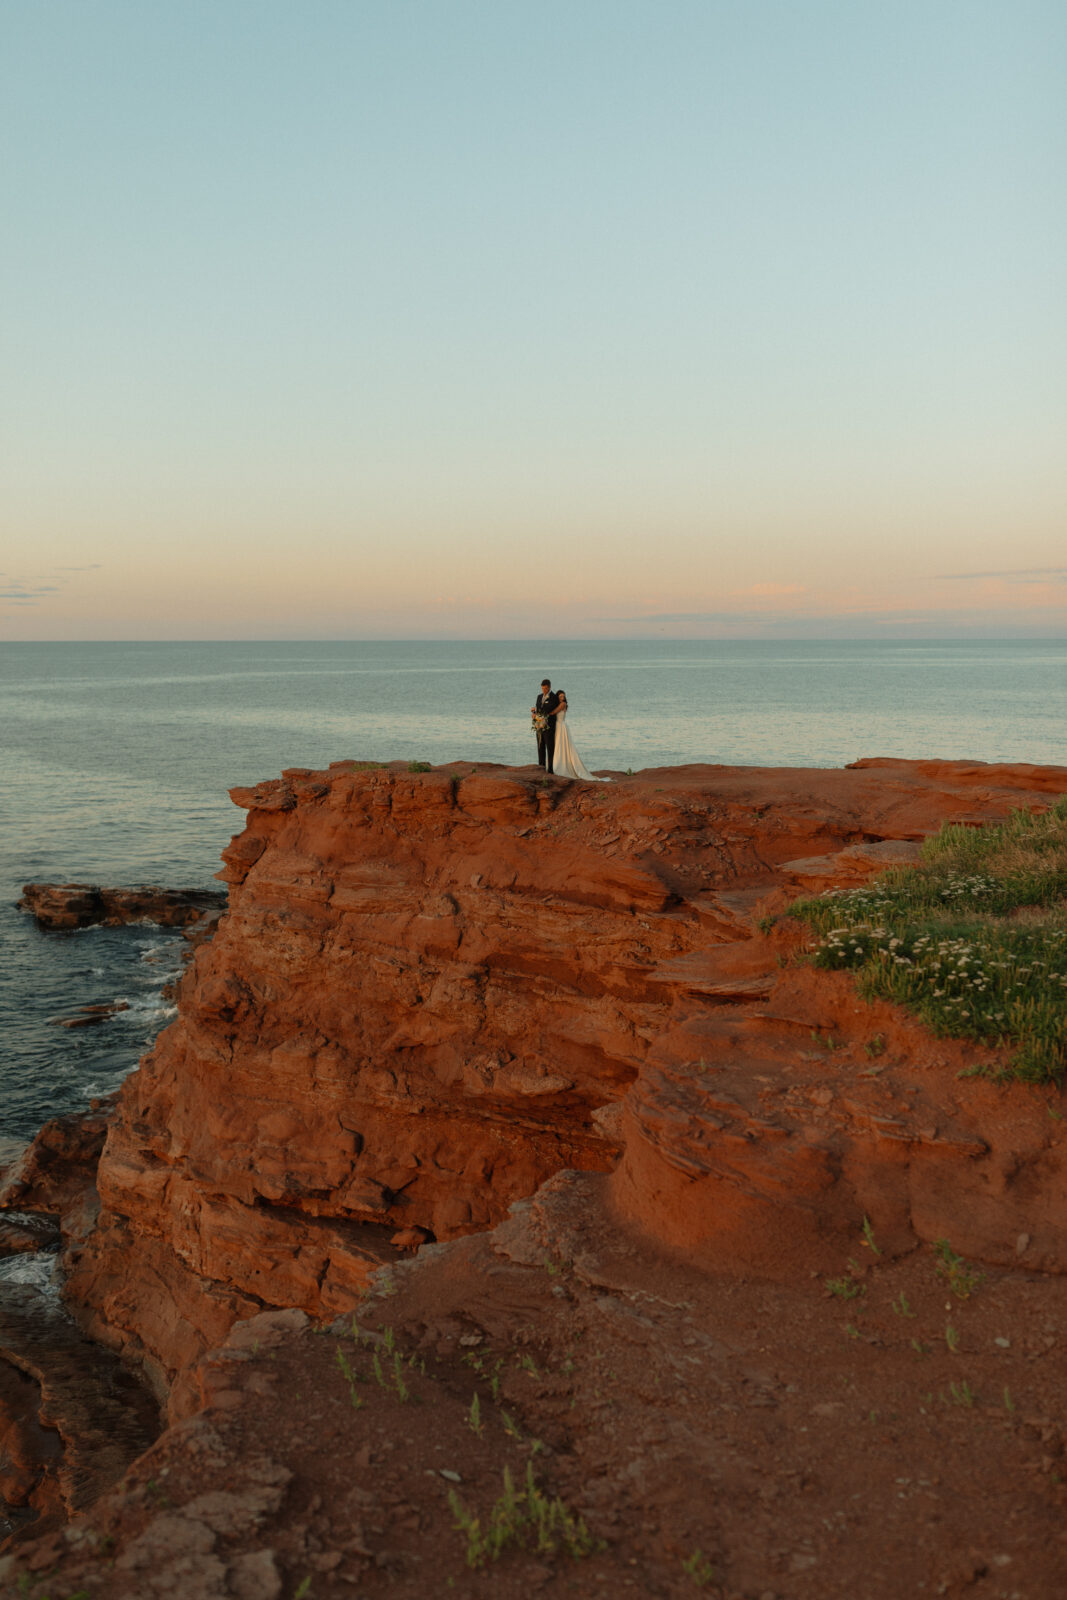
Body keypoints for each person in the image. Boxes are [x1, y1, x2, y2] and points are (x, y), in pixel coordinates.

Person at [551, 690, 610, 782]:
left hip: (561, 726)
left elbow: (553, 712)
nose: (562, 698)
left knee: (560, 746)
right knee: (559, 746)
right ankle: (559, 764)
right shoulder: (559, 704)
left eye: (563, 696)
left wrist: (543, 713)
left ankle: (559, 766)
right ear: (557, 697)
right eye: (560, 696)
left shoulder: (563, 704)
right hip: (558, 726)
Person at [531, 678, 560, 772]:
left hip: (549, 727)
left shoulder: (554, 697)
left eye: (546, 688)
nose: (544, 690)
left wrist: (540, 714)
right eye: (543, 688)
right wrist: (534, 713)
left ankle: (551, 770)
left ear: (549, 687)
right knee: (540, 747)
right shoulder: (539, 697)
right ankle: (541, 768)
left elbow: (549, 709)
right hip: (539, 726)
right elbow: (538, 709)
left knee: (550, 748)